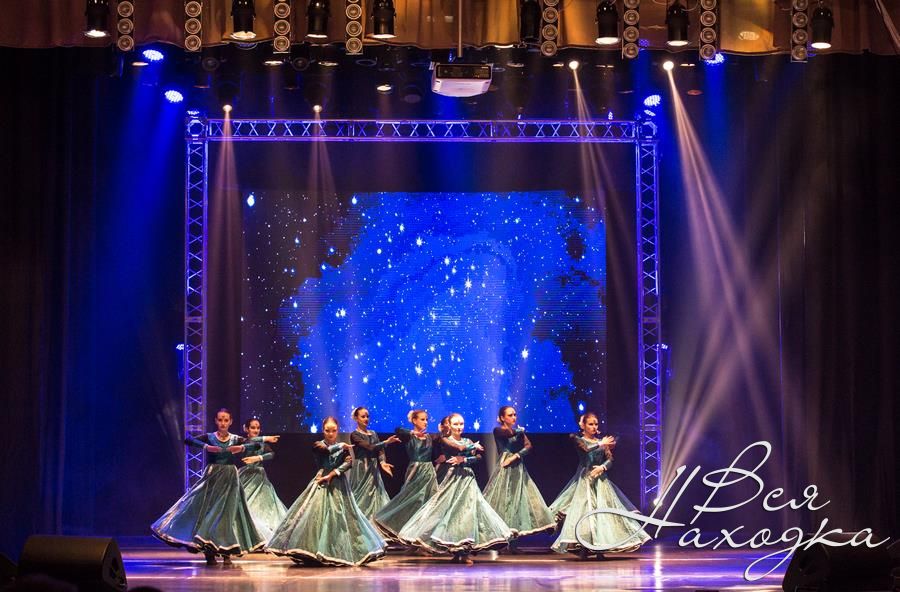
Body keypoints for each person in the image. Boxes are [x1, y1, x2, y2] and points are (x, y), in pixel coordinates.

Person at [151, 408, 270, 565]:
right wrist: (207, 447)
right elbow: (188, 440)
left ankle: (227, 551)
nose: (223, 423)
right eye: (220, 420)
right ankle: (210, 551)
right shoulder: (210, 437)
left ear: (231, 422)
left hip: (230, 478)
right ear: (215, 421)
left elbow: (255, 446)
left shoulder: (236, 439)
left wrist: (241, 448)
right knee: (210, 512)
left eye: (226, 420)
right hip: (212, 477)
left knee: (228, 514)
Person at [267, 417, 387, 566]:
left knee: (342, 516)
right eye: (327, 430)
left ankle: (337, 550)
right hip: (321, 480)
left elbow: (349, 462)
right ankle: (312, 549)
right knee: (315, 515)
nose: (330, 434)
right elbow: (325, 451)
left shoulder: (343, 447)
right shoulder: (318, 444)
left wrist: (333, 474)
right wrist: (340, 446)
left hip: (338, 482)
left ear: (337, 430)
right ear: (323, 430)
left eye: (334, 430)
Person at [398, 413, 512, 563]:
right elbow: (458, 447)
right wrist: (471, 447)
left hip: (468, 480)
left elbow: (478, 457)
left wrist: (464, 459)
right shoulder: (445, 439)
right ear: (449, 425)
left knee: (468, 513)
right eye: (456, 424)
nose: (459, 427)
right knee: (450, 513)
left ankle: (463, 552)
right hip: (453, 479)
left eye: (461, 424)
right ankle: (454, 550)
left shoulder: (467, 440)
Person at [551, 412, 650, 557]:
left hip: (601, 481)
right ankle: (584, 546)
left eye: (596, 424)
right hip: (586, 480)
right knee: (585, 512)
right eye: (590, 424)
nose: (594, 427)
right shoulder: (578, 439)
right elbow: (586, 449)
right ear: (583, 426)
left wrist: (602, 467)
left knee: (603, 512)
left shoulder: (602, 442)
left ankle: (601, 547)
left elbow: (610, 460)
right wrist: (600, 444)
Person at [482, 406, 556, 546]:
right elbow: (508, 434)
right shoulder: (498, 430)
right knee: (504, 498)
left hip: (517, 466)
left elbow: (528, 446)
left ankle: (517, 536)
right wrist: (520, 431)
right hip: (505, 466)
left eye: (515, 415)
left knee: (524, 495)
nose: (514, 417)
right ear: (502, 417)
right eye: (510, 415)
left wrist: (516, 455)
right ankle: (503, 536)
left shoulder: (518, 432)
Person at [374, 410, 439, 540]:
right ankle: (394, 524)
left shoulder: (429, 437)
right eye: (422, 419)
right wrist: (413, 433)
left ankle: (420, 535)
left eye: (426, 419)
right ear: (414, 420)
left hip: (429, 471)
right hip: (415, 471)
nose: (426, 422)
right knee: (411, 499)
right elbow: (398, 430)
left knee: (429, 501)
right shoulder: (409, 436)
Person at [238, 417, 287, 544]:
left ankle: (262, 536)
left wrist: (258, 458)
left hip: (259, 476)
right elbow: (251, 441)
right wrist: (266, 438)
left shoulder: (263, 444)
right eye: (253, 427)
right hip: (246, 475)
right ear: (246, 429)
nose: (256, 430)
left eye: (258, 428)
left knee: (264, 506)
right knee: (244, 503)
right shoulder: (244, 441)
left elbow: (272, 454)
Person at [348, 407, 401, 517]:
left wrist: (382, 462)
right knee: (362, 495)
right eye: (363, 416)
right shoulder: (354, 435)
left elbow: (379, 450)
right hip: (362, 468)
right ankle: (361, 520)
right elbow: (369, 447)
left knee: (376, 493)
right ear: (356, 418)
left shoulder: (373, 433)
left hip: (373, 467)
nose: (366, 419)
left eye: (367, 416)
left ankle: (375, 520)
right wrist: (386, 442)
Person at [433, 415, 454, 485]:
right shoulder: (437, 438)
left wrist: (447, 457)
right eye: (447, 423)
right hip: (441, 469)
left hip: (455, 469)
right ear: (442, 426)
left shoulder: (460, 439)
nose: (450, 425)